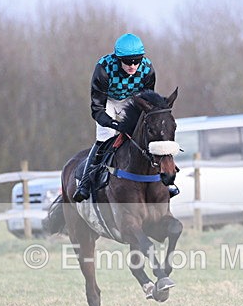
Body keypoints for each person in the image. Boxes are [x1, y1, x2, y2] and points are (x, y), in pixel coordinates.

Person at [73, 33, 179, 202]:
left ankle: (165, 182)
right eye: (128, 61)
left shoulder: (147, 69)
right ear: (118, 58)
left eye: (136, 60)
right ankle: (84, 184)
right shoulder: (103, 68)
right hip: (107, 102)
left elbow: (147, 100)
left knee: (147, 135)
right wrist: (114, 124)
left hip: (133, 101)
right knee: (104, 139)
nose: (132, 65)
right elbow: (97, 109)